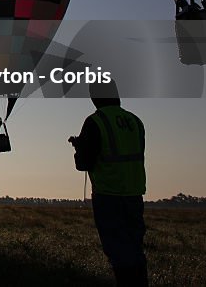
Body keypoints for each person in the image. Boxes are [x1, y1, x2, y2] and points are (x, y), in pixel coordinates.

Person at [70, 84, 147, 286]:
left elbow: (84, 163)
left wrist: (79, 148)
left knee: (118, 251)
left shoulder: (95, 121)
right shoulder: (135, 121)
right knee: (135, 249)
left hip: (108, 194)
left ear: (95, 98)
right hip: (134, 194)